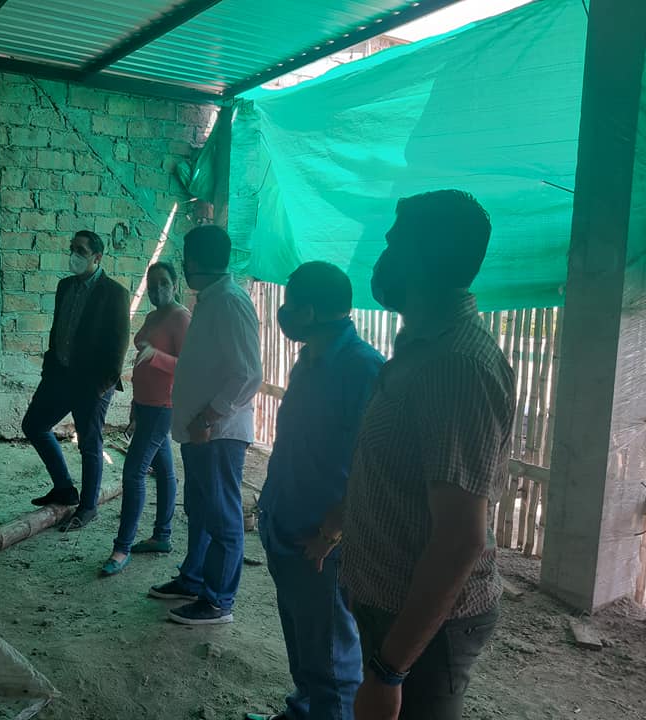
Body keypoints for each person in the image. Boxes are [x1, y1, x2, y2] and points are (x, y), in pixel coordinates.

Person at [317, 190, 514, 720]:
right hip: (391, 603)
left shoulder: (455, 365)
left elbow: (460, 538)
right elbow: (394, 466)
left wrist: (390, 670)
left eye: (393, 245)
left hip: (427, 626)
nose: (381, 259)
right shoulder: (422, 346)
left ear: (424, 258)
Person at [247, 262, 384, 720]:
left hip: (320, 539)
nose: (283, 313)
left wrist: (331, 533)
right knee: (303, 640)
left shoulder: (362, 369)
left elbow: (372, 467)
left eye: (290, 303)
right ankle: (303, 710)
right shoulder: (310, 359)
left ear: (309, 311)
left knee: (330, 658)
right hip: (286, 522)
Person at [148, 225, 262, 625]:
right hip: (200, 433)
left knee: (222, 518)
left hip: (217, 433)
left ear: (193, 261)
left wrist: (208, 417)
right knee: (200, 510)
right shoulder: (212, 300)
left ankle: (217, 601)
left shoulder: (230, 302)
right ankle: (194, 578)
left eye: (185, 258)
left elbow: (248, 374)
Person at [22, 230, 130, 532]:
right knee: (34, 425)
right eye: (72, 248)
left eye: (81, 250)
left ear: (97, 257)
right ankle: (65, 489)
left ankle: (88, 506)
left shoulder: (114, 293)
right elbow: (58, 329)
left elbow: (118, 346)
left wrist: (100, 387)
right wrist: (49, 368)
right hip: (60, 375)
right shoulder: (65, 286)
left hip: (93, 383)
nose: (74, 255)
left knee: (89, 444)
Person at [100, 262, 191, 576]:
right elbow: (143, 359)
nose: (157, 289)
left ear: (175, 284)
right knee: (164, 471)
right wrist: (135, 404)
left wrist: (157, 357)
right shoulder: (154, 316)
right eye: (152, 284)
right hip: (146, 404)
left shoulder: (181, 318)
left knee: (133, 473)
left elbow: (191, 366)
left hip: (164, 405)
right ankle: (162, 536)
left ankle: (122, 547)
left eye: (163, 282)